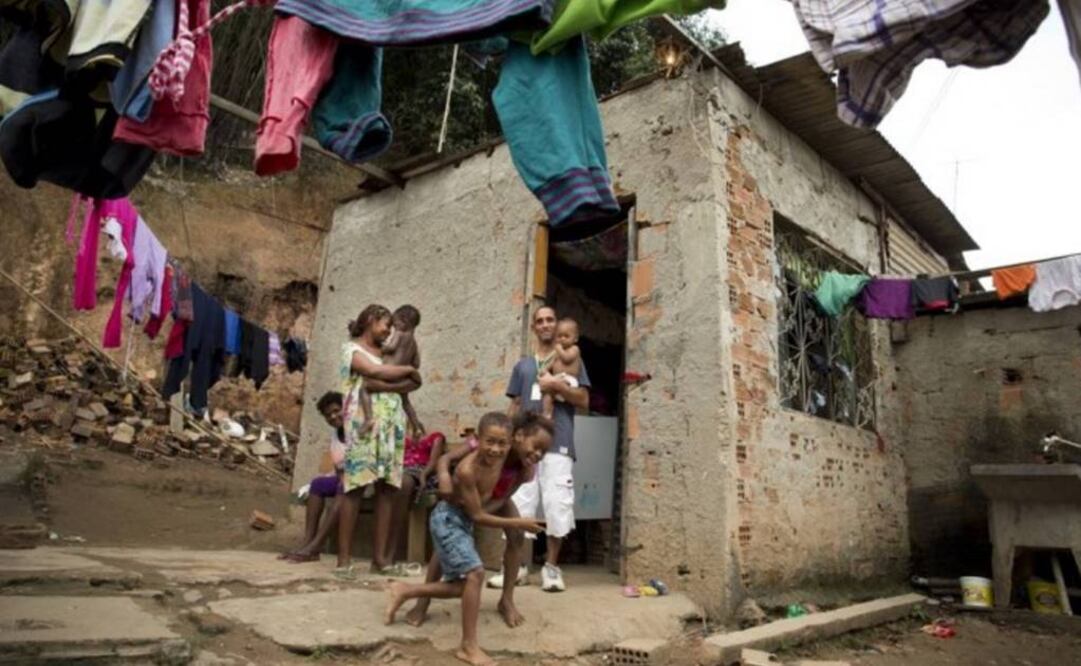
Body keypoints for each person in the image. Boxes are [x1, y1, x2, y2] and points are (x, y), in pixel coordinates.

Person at [383, 412, 548, 666]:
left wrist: (486, 513)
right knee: (453, 545)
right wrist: (448, 481)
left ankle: (506, 600)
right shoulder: (481, 451)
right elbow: (448, 460)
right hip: (461, 503)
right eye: (535, 447)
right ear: (518, 436)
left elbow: (505, 496)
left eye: (543, 451)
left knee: (514, 538)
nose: (537, 454)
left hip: (493, 498)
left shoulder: (525, 467)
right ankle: (424, 601)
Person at [491, 306, 589, 593]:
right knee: (519, 503)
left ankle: (551, 568)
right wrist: (505, 440)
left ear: (557, 325)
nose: (545, 325)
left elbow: (583, 400)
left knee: (557, 503)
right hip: (524, 447)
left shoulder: (569, 358)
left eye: (550, 320)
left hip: (558, 442)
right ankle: (517, 566)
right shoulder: (523, 366)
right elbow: (514, 405)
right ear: (534, 327)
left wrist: (553, 386)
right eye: (540, 321)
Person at [337, 304, 421, 578]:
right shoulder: (352, 350)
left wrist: (398, 381)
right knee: (356, 488)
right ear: (371, 321)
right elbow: (376, 374)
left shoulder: (387, 351)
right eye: (385, 324)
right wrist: (408, 369)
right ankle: (343, 562)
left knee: (388, 489)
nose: (389, 330)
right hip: (364, 424)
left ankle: (381, 560)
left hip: (392, 426)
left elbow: (409, 386)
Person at [280, 391, 347, 562]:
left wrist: (344, 480)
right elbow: (339, 469)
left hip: (363, 480)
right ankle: (307, 543)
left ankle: (315, 545)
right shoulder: (335, 436)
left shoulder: (355, 430)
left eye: (336, 410)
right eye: (328, 415)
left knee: (343, 487)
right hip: (345, 480)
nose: (332, 416)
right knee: (317, 485)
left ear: (346, 408)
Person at [358, 305, 425, 437]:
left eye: (395, 323)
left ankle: (368, 419)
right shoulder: (414, 343)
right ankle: (416, 425)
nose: (393, 328)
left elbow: (391, 347)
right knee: (406, 402)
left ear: (404, 322)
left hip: (389, 373)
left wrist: (379, 349)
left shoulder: (400, 334)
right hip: (401, 377)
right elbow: (416, 363)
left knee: (364, 388)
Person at [540, 317, 582, 420]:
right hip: (558, 378)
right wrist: (544, 370)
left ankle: (557, 398)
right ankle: (547, 414)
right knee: (547, 395)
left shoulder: (574, 349)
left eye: (566, 336)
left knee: (550, 388)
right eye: (559, 336)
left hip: (569, 380)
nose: (562, 339)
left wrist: (558, 349)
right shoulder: (558, 352)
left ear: (575, 338)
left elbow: (566, 359)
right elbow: (552, 363)